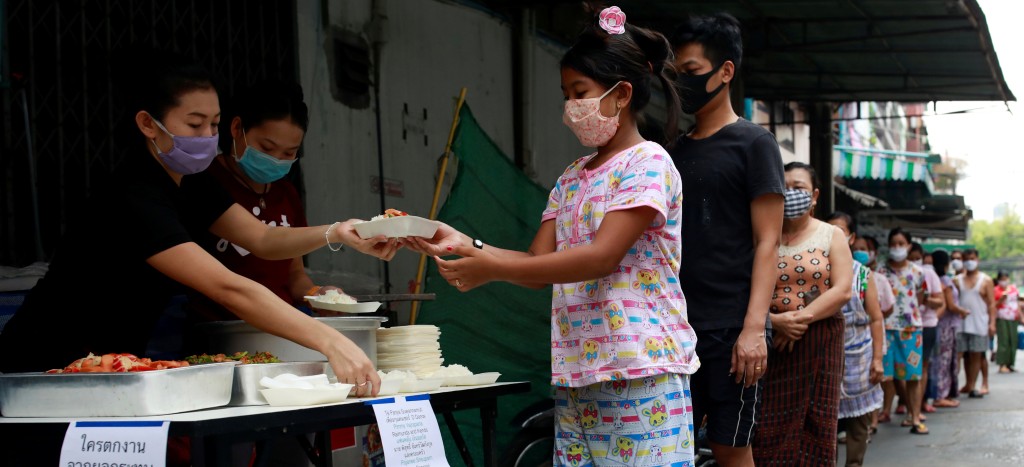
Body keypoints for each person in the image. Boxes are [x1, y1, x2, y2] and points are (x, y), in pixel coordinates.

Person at [0, 52, 394, 396]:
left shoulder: (193, 182)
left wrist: (337, 232)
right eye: (194, 124)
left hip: (110, 368)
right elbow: (228, 287)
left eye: (214, 124)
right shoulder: (134, 196)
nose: (207, 137)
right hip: (43, 367)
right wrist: (329, 340)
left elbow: (262, 238)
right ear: (148, 124)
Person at [405, 7, 698, 465]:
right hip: (577, 373)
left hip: (640, 369)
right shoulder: (572, 177)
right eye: (566, 95)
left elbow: (601, 257)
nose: (570, 107)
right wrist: (466, 243)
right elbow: (536, 266)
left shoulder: (649, 163)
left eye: (580, 92)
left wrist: (490, 267)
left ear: (621, 94)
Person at [667, 13, 784, 466]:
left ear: (725, 71)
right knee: (669, 448)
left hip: (732, 328)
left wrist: (753, 329)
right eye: (677, 73)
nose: (682, 83)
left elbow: (768, 242)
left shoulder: (755, 143)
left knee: (730, 449)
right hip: (674, 328)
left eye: (692, 71)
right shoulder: (671, 151)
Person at [186, 80, 342, 327]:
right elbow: (264, 239)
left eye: (289, 153)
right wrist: (338, 232)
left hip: (280, 328)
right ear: (237, 128)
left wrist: (318, 295)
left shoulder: (286, 194)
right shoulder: (206, 182)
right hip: (220, 329)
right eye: (267, 148)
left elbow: (295, 275)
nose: (276, 160)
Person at [752, 162, 852, 466]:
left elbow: (842, 290)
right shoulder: (758, 235)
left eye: (799, 187)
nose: (791, 193)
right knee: (765, 422)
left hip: (819, 339)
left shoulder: (831, 234)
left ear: (815, 196)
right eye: (785, 187)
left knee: (816, 421)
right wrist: (775, 323)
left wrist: (797, 320)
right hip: (767, 341)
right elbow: (742, 289)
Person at [827, 212, 884, 467]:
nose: (833, 236)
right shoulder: (816, 268)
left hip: (858, 358)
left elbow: (876, 319)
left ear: (851, 238)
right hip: (824, 356)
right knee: (824, 423)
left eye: (840, 231)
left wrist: (878, 360)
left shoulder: (862, 275)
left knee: (858, 426)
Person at [877, 227, 928, 434]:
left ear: (908, 246)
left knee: (913, 376)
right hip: (885, 329)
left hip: (911, 329)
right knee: (884, 376)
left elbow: (920, 298)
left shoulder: (918, 272)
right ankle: (876, 419)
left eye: (901, 243)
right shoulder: (880, 271)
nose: (897, 247)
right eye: (893, 244)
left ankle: (914, 417)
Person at [907, 243, 945, 415]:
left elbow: (940, 301)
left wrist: (925, 299)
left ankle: (916, 408)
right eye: (911, 258)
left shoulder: (928, 274)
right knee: (905, 369)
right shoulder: (891, 273)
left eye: (918, 258)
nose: (915, 261)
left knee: (920, 367)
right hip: (904, 328)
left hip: (926, 326)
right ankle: (908, 405)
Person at [956, 249, 995, 397]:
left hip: (979, 324)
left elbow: (991, 304)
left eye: (972, 259)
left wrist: (992, 323)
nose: (969, 262)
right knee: (963, 355)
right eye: (966, 259)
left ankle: (973, 385)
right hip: (960, 325)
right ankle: (966, 384)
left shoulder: (986, 280)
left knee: (977, 355)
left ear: (977, 259)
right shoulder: (957, 280)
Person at [930, 249, 966, 408]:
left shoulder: (933, 279)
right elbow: (950, 305)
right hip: (946, 327)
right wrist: (963, 311)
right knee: (943, 362)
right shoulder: (945, 282)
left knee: (938, 361)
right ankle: (940, 395)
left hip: (938, 325)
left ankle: (941, 393)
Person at [993, 271, 1020, 372]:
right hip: (1002, 318)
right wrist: (1002, 298)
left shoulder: (1013, 288)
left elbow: (1017, 303)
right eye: (1002, 279)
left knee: (1013, 341)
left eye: (1006, 279)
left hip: (1013, 318)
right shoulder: (996, 290)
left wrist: (1021, 316)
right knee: (1003, 341)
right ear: (999, 280)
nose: (1004, 281)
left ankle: (1010, 364)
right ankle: (1002, 364)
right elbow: (993, 305)